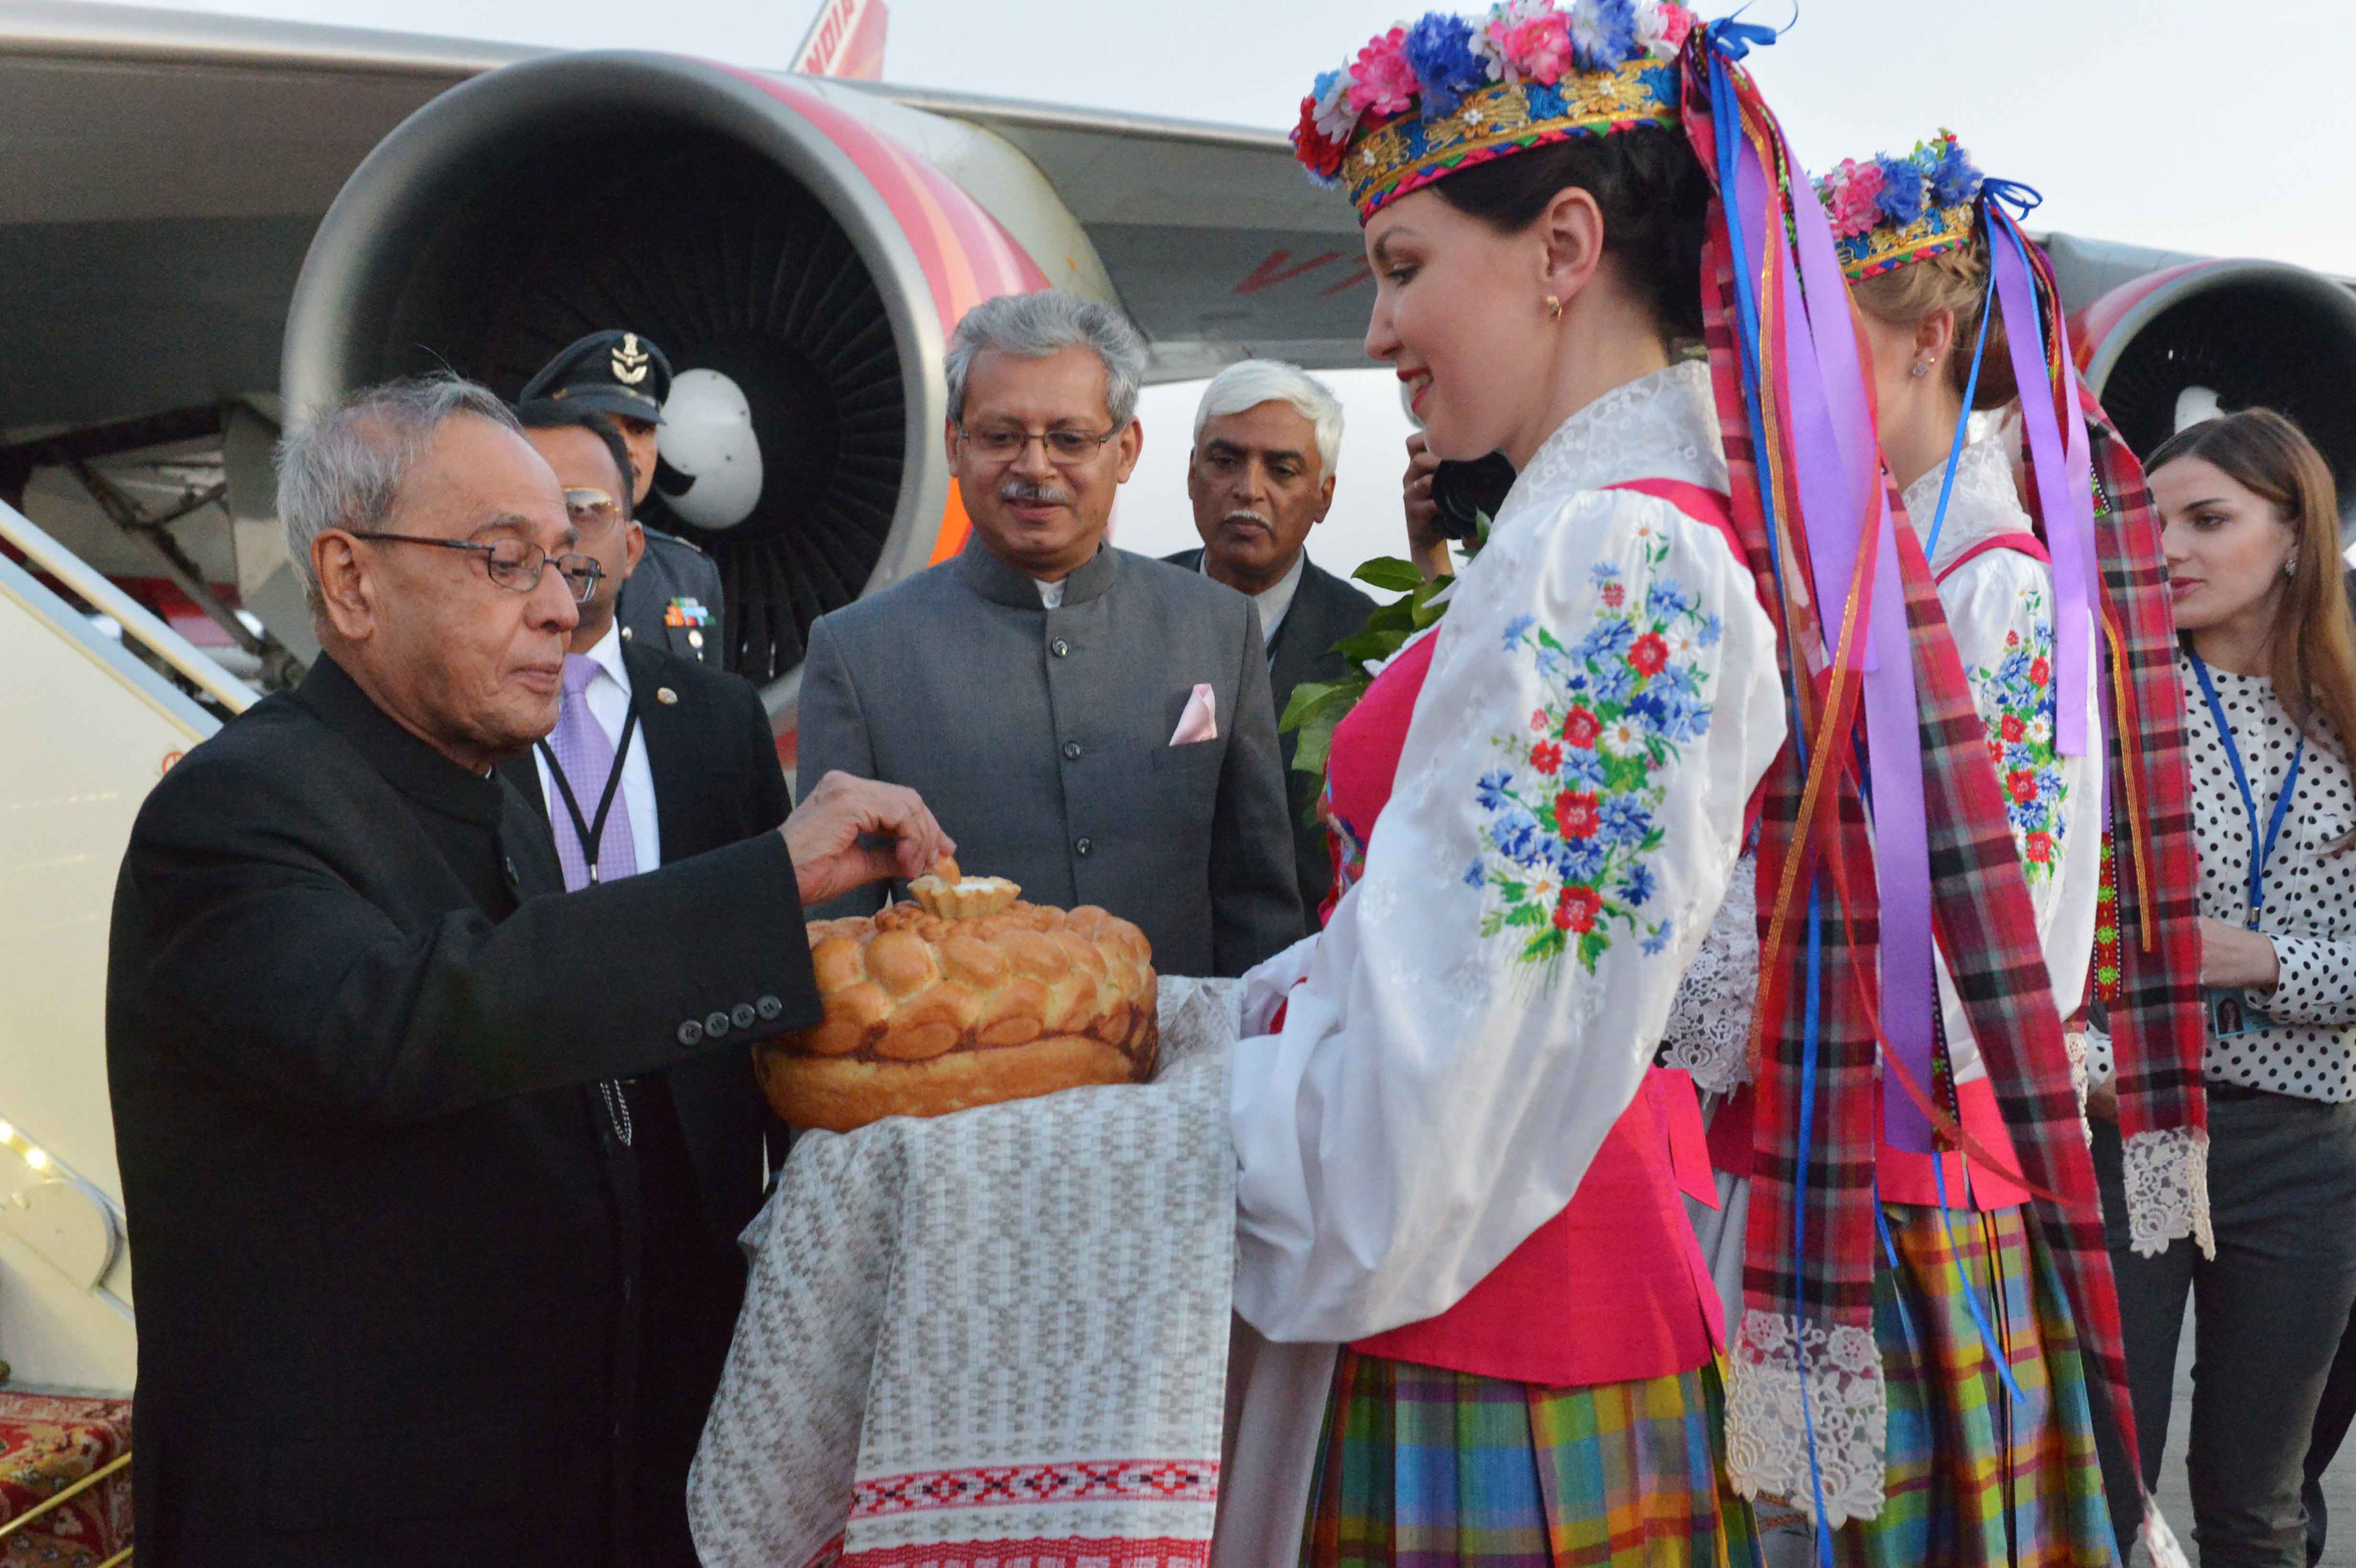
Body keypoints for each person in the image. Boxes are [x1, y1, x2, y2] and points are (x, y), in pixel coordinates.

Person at [105, 374, 949, 1566]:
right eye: (507, 561)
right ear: (349, 580)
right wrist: (763, 885)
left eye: (566, 557)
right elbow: (411, 1020)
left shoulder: (488, 791)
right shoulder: (239, 809)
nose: (565, 604)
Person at [795, 290, 1302, 978]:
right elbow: (839, 942)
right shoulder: (861, 653)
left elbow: (1259, 899)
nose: (1035, 468)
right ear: (955, 444)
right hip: (967, 1069)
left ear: (1125, 451)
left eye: (1070, 439)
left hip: (1182, 1068)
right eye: (1002, 438)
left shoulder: (1215, 624)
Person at [505, 399, 787, 1567]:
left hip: (695, 1170)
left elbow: (774, 959)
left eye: (590, 509)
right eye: (533, 517)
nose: (567, 539)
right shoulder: (457, 723)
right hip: (528, 1171)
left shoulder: (716, 718)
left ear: (633, 542)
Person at [2096, 407, 2356, 1568]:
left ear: (2299, 538)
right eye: (2146, 519)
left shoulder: (2351, 721)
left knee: (2259, 1501)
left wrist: (2266, 961)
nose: (2164, 547)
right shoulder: (2104, 704)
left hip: (2307, 1147)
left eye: (2207, 519)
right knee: (2103, 1475)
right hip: (2131, 1122)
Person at [1163, 359, 1376, 934]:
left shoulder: (1371, 647)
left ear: (1323, 496)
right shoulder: (1121, 615)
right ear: (1190, 473)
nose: (1248, 489)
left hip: (1304, 982)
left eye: (1281, 470)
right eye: (1225, 461)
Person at [521, 329, 728, 669]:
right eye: (602, 428)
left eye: (641, 430)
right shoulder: (507, 563)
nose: (625, 447)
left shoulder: (690, 574)